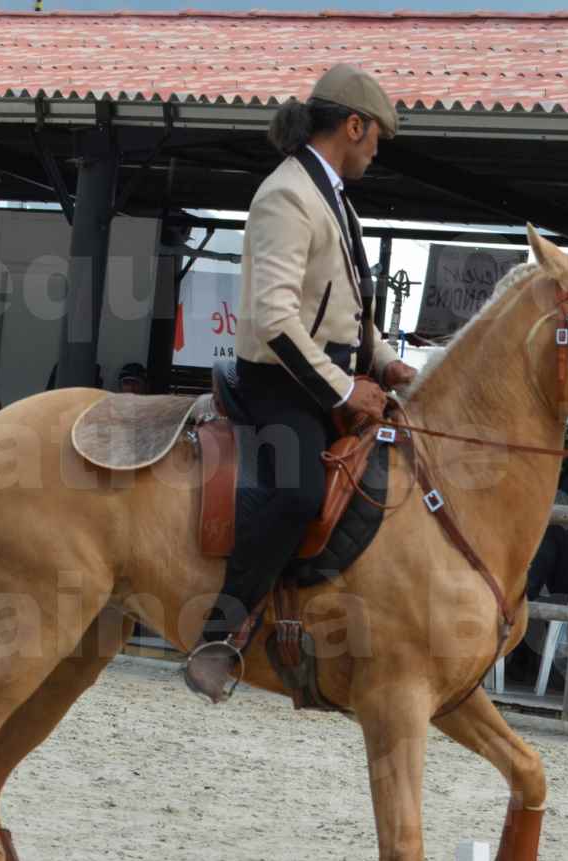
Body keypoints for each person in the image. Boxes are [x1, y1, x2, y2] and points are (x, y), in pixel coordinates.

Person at [182, 63, 417, 701]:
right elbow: (275, 319)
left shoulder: (333, 197)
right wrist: (343, 391)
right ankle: (222, 633)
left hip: (327, 375)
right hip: (278, 382)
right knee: (296, 490)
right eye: (375, 138)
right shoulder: (287, 195)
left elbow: (351, 309)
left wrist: (386, 361)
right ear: (353, 124)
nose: (376, 150)